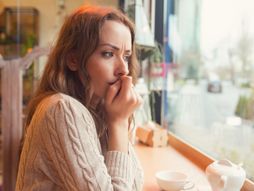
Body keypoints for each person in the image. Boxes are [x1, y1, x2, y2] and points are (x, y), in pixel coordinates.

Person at [16, 5, 144, 191]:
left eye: (126, 56)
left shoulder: (100, 109)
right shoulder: (62, 108)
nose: (123, 69)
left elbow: (134, 184)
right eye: (108, 54)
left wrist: (117, 122)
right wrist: (119, 123)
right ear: (73, 60)